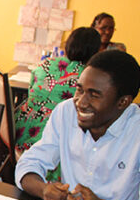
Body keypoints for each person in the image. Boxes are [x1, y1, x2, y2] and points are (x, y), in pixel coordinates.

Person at [15, 50, 140, 200]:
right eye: (79, 90)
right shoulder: (66, 112)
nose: (81, 102)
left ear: (123, 102)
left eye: (94, 95)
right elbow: (28, 164)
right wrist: (44, 190)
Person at [15, 27, 101, 171]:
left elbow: (31, 91)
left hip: (19, 130)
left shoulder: (46, 64)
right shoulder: (87, 78)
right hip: (46, 140)